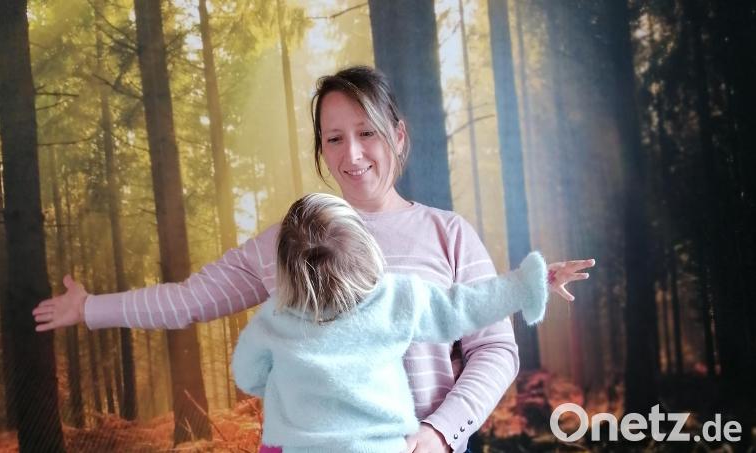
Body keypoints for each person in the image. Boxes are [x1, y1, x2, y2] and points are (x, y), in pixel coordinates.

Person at [33, 66, 594, 453]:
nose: (351, 154)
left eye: (366, 132)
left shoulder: (447, 233)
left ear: (397, 135)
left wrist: (440, 434)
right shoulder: (294, 242)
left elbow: (494, 349)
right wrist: (91, 309)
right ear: (321, 148)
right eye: (333, 139)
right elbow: (190, 298)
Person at [232, 192, 578, 453]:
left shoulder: (274, 319)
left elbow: (247, 375)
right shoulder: (391, 299)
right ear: (369, 253)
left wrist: (291, 387)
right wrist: (532, 282)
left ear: (287, 271)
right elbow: (463, 307)